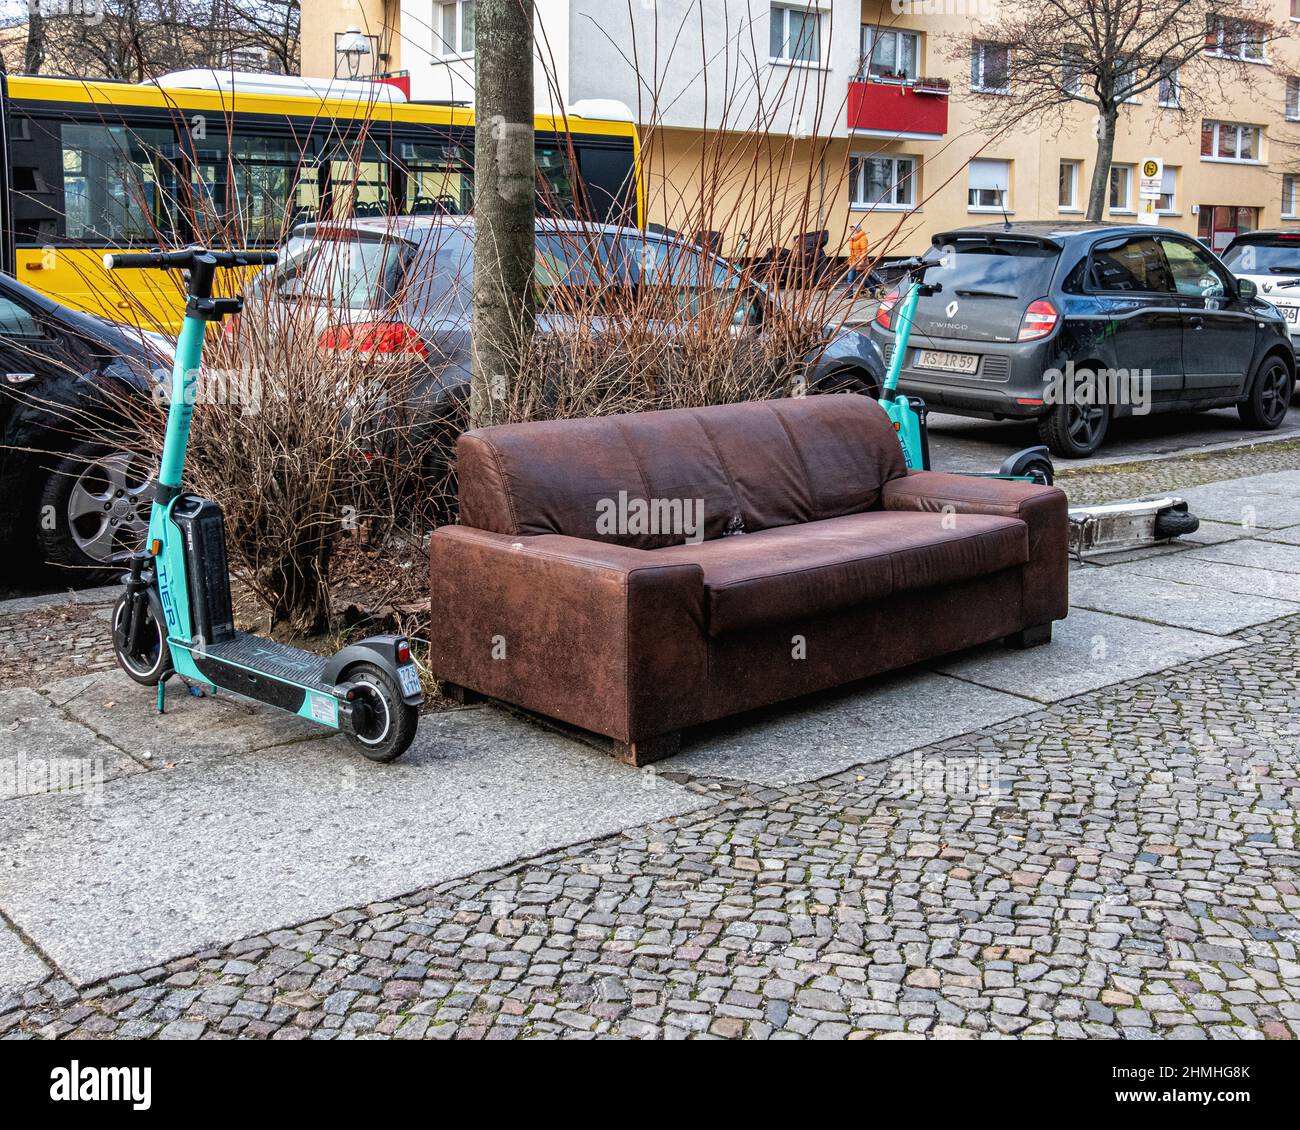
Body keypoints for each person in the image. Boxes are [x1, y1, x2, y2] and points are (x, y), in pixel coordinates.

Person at [847, 223, 869, 289]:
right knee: (850, 279)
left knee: (863, 280)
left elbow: (864, 250)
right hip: (853, 261)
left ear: (858, 230)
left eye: (854, 230)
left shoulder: (863, 238)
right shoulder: (852, 239)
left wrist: (861, 261)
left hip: (859, 260)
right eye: (851, 230)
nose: (852, 231)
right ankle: (849, 295)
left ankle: (873, 290)